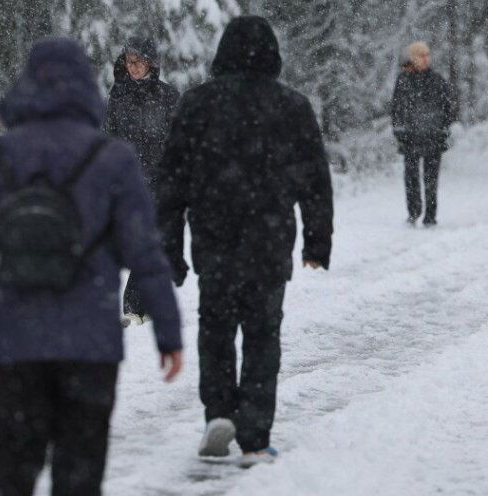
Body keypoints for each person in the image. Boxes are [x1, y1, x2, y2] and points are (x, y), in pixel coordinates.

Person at [0, 38, 183, 495]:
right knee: (79, 475)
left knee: (11, 469)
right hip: (89, 345)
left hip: (13, 342)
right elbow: (145, 251)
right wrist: (169, 333)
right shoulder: (111, 159)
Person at [154, 16, 333, 468]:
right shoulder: (292, 106)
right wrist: (317, 242)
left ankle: (218, 413)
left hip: (214, 241)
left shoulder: (196, 105)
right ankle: (254, 435)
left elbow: (170, 186)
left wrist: (169, 251)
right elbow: (315, 181)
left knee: (215, 329)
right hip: (269, 240)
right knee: (262, 334)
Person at [105, 37, 181, 327]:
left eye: (138, 61)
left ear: (151, 62)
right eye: (128, 61)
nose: (133, 67)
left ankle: (138, 306)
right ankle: (138, 305)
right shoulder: (118, 95)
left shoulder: (168, 97)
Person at [391, 41, 458, 227]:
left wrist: (443, 129)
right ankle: (413, 212)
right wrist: (399, 130)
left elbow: (448, 107)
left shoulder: (437, 80)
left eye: (427, 54)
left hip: (433, 137)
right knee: (411, 178)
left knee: (431, 179)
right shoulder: (403, 80)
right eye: (421, 55)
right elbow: (397, 108)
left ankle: (430, 215)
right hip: (410, 138)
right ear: (413, 58)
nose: (426, 58)